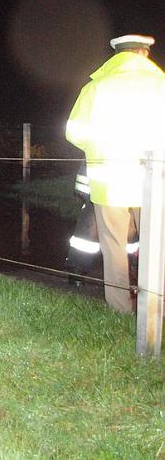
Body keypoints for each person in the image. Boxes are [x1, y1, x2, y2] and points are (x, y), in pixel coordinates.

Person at [66, 34, 165, 313]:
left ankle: (121, 311)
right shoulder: (160, 85)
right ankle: (157, 310)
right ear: (144, 54)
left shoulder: (96, 88)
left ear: (116, 55)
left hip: (109, 183)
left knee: (114, 251)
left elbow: (73, 132)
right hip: (153, 181)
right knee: (157, 248)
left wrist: (98, 146)